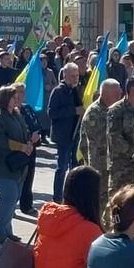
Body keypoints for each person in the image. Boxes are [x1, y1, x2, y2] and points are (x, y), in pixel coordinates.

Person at [0, 85, 38, 240]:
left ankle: (7, 231)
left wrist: (30, 142)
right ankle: (0, 233)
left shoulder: (17, 114)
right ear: (5, 98)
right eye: (14, 97)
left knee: (13, 199)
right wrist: (21, 146)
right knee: (9, 197)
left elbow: (24, 134)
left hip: (18, 165)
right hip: (1, 165)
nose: (17, 99)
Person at [106, 77, 134, 205]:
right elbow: (115, 139)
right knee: (116, 204)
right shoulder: (116, 111)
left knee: (133, 205)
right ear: (133, 90)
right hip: (121, 168)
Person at [47, 63, 81, 192]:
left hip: (74, 134)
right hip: (63, 135)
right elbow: (52, 113)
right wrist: (73, 110)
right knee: (62, 168)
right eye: (72, 76)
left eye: (77, 76)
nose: (75, 78)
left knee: (75, 168)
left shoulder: (75, 90)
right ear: (65, 75)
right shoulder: (58, 91)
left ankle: (71, 195)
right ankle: (57, 196)